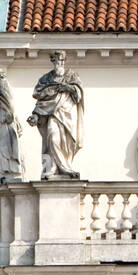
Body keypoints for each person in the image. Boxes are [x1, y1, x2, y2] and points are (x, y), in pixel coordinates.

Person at [28, 51, 85, 179]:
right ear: (53, 61)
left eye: (62, 61)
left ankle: (66, 166)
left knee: (66, 142)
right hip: (53, 116)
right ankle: (55, 167)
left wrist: (67, 88)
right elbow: (41, 98)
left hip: (67, 115)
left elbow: (78, 94)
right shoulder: (46, 79)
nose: (60, 63)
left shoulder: (71, 76)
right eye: (58, 61)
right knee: (52, 138)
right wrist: (36, 115)